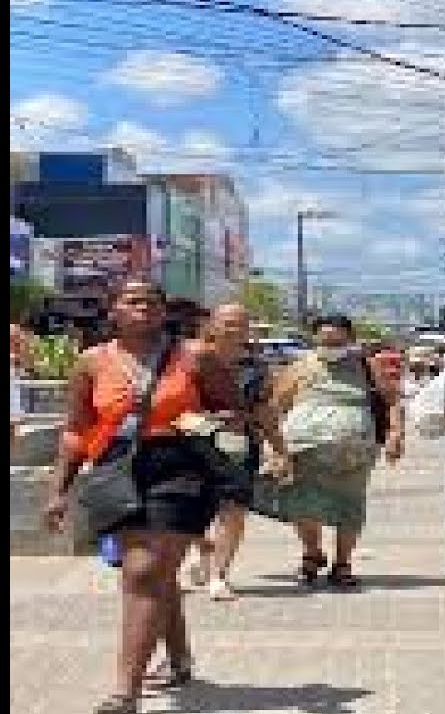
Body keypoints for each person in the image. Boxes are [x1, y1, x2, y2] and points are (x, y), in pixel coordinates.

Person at [42, 279, 239, 714]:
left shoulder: (196, 356)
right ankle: (180, 655)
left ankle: (125, 691)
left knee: (144, 569)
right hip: (118, 469)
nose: (144, 307)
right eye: (132, 301)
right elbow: (75, 431)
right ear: (114, 311)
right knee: (155, 571)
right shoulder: (91, 362)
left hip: (181, 466)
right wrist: (59, 490)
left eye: (152, 301)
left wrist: (205, 420)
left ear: (164, 311)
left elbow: (236, 412)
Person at [268, 314, 404, 589]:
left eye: (337, 340)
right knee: (302, 502)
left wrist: (395, 434)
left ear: (350, 339)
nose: (330, 344)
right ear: (314, 339)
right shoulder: (298, 366)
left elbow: (392, 401)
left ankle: (342, 563)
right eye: (325, 339)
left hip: (354, 450)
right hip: (303, 446)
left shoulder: (367, 367)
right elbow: (278, 405)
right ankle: (311, 553)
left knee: (350, 505)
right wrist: (276, 446)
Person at [182, 303, 286, 601]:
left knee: (234, 510)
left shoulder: (255, 368)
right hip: (191, 442)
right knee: (188, 508)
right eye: (228, 322)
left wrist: (279, 450)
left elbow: (264, 411)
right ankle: (202, 548)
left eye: (242, 323)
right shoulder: (189, 359)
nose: (235, 329)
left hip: (239, 445)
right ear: (211, 325)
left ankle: (219, 575)